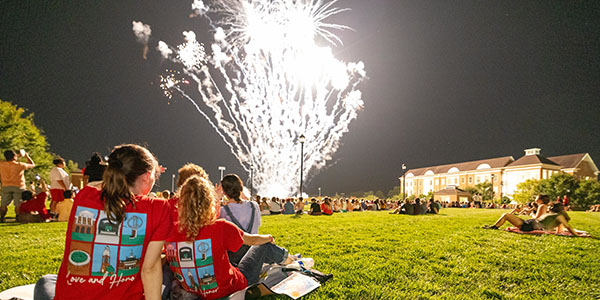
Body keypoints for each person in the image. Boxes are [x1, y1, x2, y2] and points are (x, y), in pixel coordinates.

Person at [34, 144, 171, 300]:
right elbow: (150, 270)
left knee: (46, 280)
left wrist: (144, 171)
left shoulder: (84, 196)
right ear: (146, 177)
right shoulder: (159, 208)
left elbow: (99, 187)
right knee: (165, 273)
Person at [166, 175, 297, 300]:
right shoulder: (219, 227)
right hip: (230, 288)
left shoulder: (170, 232)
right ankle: (291, 261)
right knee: (263, 245)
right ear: (209, 200)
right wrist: (268, 237)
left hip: (195, 291)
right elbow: (253, 240)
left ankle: (287, 259)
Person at [217, 174, 262, 266]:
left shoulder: (222, 211)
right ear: (241, 188)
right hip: (253, 254)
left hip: (234, 259)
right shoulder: (254, 206)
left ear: (224, 192)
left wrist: (217, 199)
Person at [0, 149, 35, 222]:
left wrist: (15, 156)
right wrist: (27, 156)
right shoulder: (20, 165)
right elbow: (32, 165)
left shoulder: (1, 164)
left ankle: (2, 218)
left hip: (5, 185)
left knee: (4, 204)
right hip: (18, 186)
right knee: (18, 204)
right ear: (14, 157)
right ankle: (18, 218)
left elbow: (6, 160)